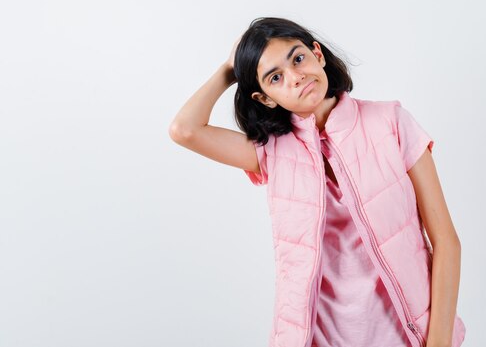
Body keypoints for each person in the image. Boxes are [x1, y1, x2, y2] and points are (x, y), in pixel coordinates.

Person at [169, 17, 466, 347]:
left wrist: (438, 342)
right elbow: (185, 130)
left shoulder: (391, 122)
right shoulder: (272, 151)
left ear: (317, 54)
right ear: (265, 98)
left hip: (405, 335)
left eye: (298, 59)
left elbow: (446, 242)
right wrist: (230, 68)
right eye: (276, 78)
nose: (296, 78)